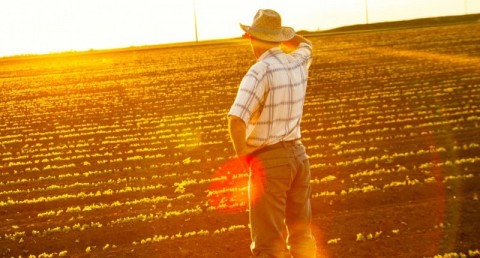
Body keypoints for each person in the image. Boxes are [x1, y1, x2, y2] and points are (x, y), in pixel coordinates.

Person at [227, 9, 316, 258]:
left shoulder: (259, 71)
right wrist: (284, 36)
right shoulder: (297, 60)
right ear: (278, 38)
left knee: (268, 244)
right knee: (301, 235)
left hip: (270, 161)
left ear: (252, 38)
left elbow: (236, 119)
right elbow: (307, 44)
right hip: (299, 157)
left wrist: (244, 155)